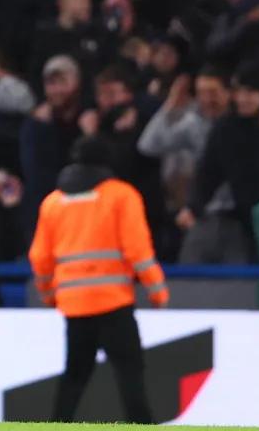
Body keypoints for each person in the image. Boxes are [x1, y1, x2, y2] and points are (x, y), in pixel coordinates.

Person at [28, 135, 169, 424]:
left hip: (74, 305)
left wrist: (48, 293)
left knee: (75, 375)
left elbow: (40, 257)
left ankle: (57, 425)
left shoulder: (54, 202)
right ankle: (142, 426)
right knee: (129, 372)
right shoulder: (121, 195)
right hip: (113, 301)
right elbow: (137, 250)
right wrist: (157, 290)